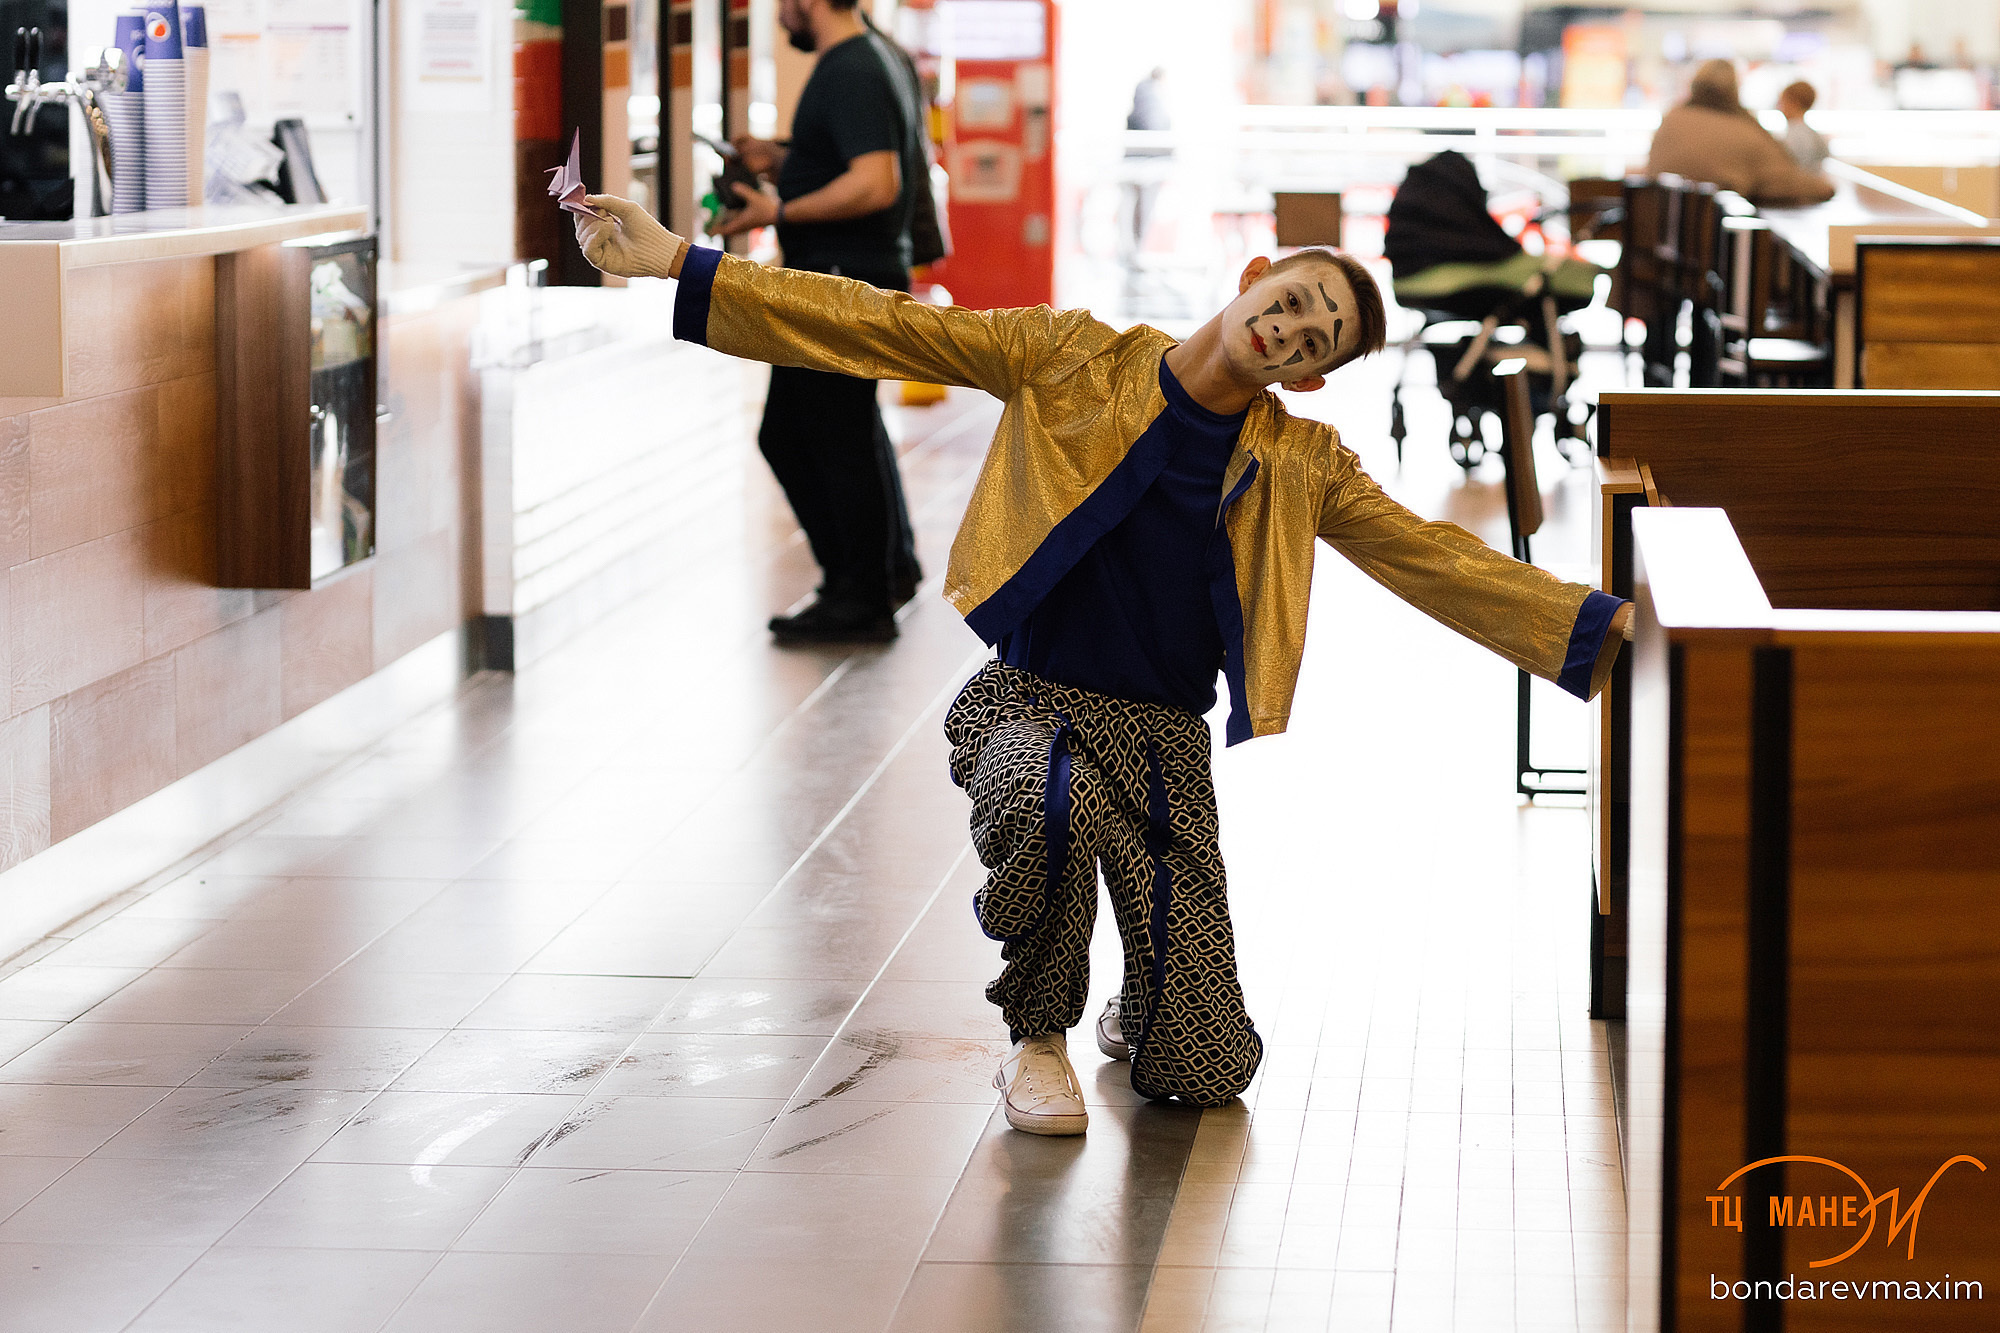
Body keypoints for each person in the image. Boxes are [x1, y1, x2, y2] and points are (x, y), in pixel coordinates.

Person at [572, 199, 1634, 1135]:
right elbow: (880, 321)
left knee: (1205, 1070)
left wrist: (1598, 628)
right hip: (1026, 702)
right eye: (1297, 294)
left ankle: (1152, 996)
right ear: (1250, 277)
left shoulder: (1298, 463)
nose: (1294, 322)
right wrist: (680, 261)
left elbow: (1432, 558)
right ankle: (1036, 1034)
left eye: (1320, 333)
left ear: (1307, 373)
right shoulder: (1072, 354)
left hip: (1164, 745)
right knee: (1049, 799)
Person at [714, 0, 928, 643]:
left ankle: (856, 594)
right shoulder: (867, 58)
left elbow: (875, 184)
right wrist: (787, 157)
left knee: (804, 435)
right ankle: (886, 571)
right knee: (844, 429)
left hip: (840, 279)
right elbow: (855, 163)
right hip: (849, 274)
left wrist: (776, 213)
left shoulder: (851, 68)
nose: (781, 13)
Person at [1647, 59, 1833, 206]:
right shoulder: (1742, 131)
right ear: (1734, 89)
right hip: (1716, 247)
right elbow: (1790, 183)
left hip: (1660, 242)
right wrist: (1826, 188)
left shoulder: (1671, 119)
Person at [1777, 80, 1829, 171]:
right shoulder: (1813, 134)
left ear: (1794, 103)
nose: (1779, 108)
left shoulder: (1796, 135)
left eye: (1782, 102)